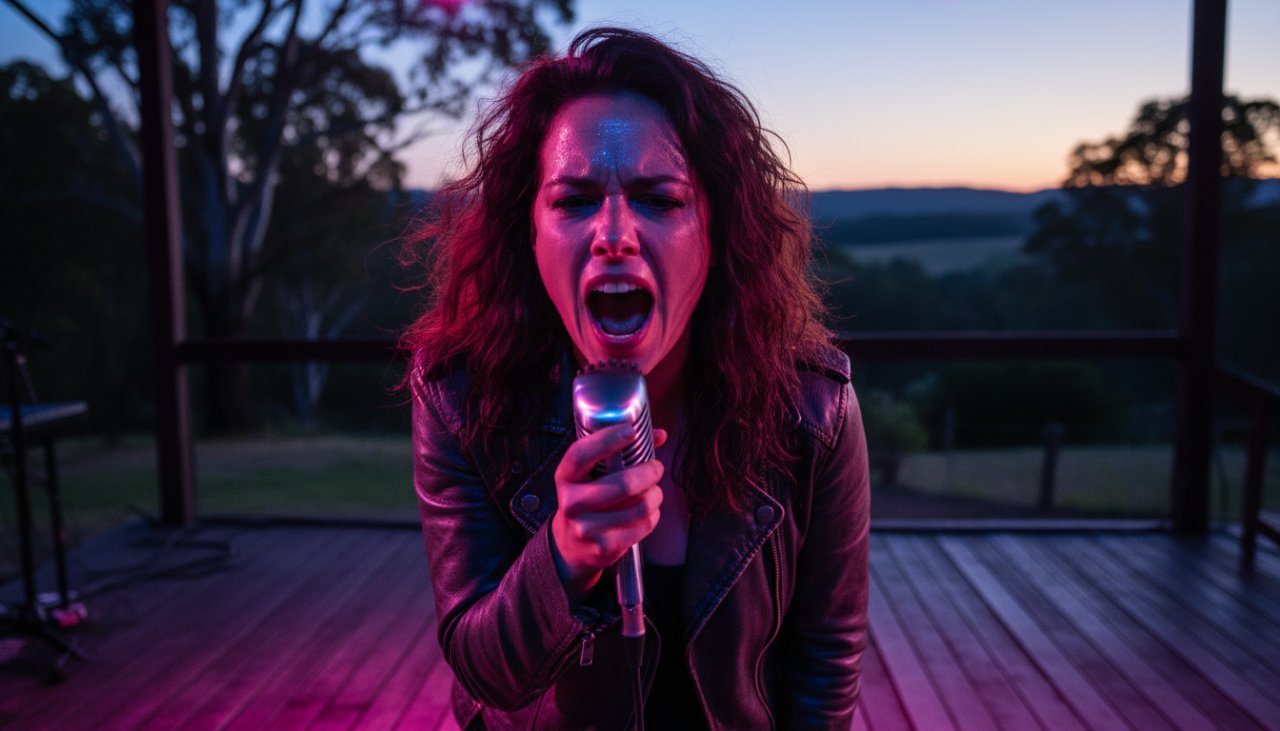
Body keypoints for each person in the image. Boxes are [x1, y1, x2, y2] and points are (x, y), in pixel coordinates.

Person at [404, 27, 870, 730]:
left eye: (658, 198)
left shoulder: (813, 409)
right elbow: (483, 671)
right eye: (574, 200)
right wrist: (565, 556)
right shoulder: (460, 399)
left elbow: (825, 662)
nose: (615, 232)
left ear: (717, 233)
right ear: (527, 232)